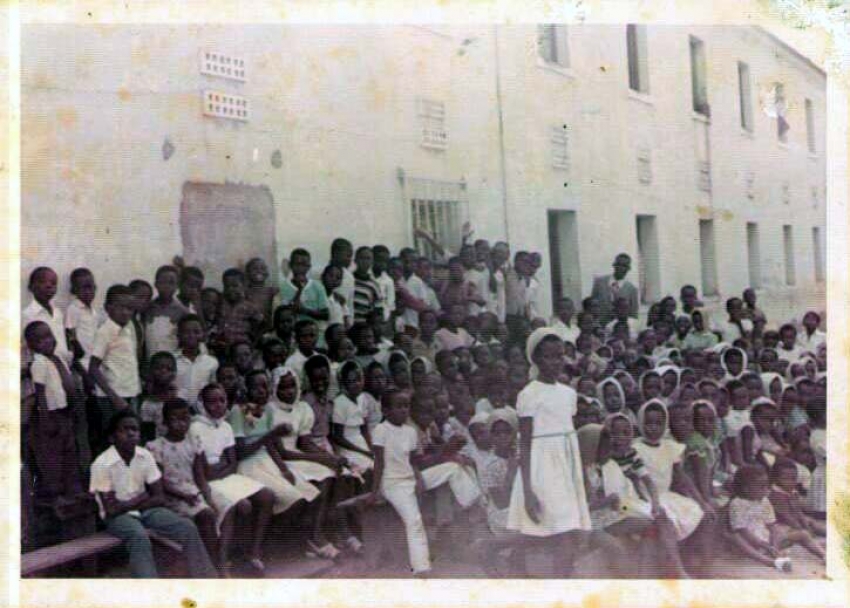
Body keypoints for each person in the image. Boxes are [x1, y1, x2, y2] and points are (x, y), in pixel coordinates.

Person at [89, 410, 218, 578]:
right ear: (112, 437)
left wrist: (129, 503)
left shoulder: (144, 455)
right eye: (124, 430)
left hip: (146, 511)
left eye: (135, 430)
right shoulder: (102, 464)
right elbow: (112, 510)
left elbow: (159, 497)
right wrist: (143, 497)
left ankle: (207, 581)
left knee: (187, 527)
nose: (131, 434)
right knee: (138, 536)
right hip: (117, 519)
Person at [366, 389, 482, 576]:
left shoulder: (410, 432)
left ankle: (473, 505)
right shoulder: (381, 430)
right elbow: (378, 462)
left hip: (412, 478)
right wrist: (375, 492)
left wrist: (418, 479)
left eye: (406, 406)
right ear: (386, 411)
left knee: (452, 468)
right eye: (398, 407)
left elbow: (413, 462)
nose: (403, 410)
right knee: (414, 520)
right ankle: (421, 567)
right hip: (393, 483)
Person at [506, 328, 591, 573]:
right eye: (548, 357)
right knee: (553, 526)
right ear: (535, 359)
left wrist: (582, 476)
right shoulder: (529, 394)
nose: (555, 362)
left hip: (566, 464)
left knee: (564, 527)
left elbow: (570, 437)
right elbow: (525, 442)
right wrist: (528, 490)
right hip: (542, 467)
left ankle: (557, 577)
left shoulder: (569, 394)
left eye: (560, 356)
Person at [191, 383, 274, 574]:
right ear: (203, 404)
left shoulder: (226, 426)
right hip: (208, 482)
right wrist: (222, 467)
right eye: (212, 401)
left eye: (222, 400)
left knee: (267, 495)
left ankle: (253, 553)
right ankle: (222, 562)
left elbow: (233, 462)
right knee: (240, 504)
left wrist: (221, 467)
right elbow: (204, 471)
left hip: (226, 476)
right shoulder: (195, 427)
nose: (218, 405)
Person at [228, 371, 320, 517]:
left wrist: (283, 469)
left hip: (267, 461)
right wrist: (272, 434)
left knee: (308, 492)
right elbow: (240, 453)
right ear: (247, 389)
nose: (261, 391)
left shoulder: (268, 410)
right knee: (292, 498)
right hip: (249, 464)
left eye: (264, 386)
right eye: (255, 387)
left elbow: (270, 446)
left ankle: (291, 536)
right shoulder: (238, 411)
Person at [146, 398, 220, 568]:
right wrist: (182, 495)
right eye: (175, 419)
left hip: (192, 493)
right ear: (165, 422)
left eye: (185, 418)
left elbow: (199, 476)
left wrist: (208, 498)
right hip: (170, 496)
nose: (182, 423)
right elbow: (158, 483)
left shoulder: (193, 442)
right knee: (206, 515)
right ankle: (210, 567)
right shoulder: (156, 447)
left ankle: (214, 563)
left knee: (214, 511)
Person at [25, 320, 83, 499]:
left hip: (65, 413)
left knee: (70, 452)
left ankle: (72, 492)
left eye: (49, 335)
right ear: (32, 346)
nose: (48, 341)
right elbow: (40, 394)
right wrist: (46, 419)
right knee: (53, 456)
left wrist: (72, 337)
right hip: (51, 415)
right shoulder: (39, 362)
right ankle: (55, 495)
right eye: (41, 339)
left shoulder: (58, 357)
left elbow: (79, 354)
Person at [727, 464, 820, 571]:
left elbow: (772, 526)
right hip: (751, 542)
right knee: (735, 537)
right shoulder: (737, 504)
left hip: (767, 541)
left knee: (802, 534)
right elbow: (743, 531)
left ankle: (823, 555)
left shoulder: (764, 500)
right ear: (747, 489)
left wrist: (774, 544)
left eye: (766, 486)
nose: (766, 490)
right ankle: (771, 562)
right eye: (761, 487)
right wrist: (762, 544)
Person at [89, 285, 141, 454]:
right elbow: (93, 368)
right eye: (121, 307)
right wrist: (115, 398)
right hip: (113, 398)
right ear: (108, 308)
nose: (126, 312)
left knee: (130, 441)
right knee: (113, 442)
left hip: (130, 393)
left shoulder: (128, 328)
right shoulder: (105, 332)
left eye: (130, 309)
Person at [331, 361, 374, 473]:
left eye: (359, 379)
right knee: (363, 468)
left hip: (360, 441)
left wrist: (370, 448)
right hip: (347, 446)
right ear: (344, 384)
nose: (357, 384)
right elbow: (338, 437)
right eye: (352, 381)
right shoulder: (339, 403)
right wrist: (363, 452)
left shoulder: (363, 398)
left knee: (376, 465)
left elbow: (364, 429)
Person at [143, 265, 189, 361]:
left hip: (172, 363)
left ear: (177, 286)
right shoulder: (147, 308)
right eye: (163, 282)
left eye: (171, 283)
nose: (167, 286)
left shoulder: (182, 311)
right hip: (150, 362)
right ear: (156, 284)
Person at [174, 314, 219, 407]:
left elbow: (214, 389)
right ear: (179, 335)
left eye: (196, 332)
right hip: (176, 411)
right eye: (186, 332)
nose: (191, 335)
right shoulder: (172, 360)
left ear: (203, 334)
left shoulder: (212, 362)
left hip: (203, 412)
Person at [65, 267, 100, 375]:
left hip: (94, 360)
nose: (88, 291)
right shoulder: (73, 309)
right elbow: (70, 332)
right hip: (82, 362)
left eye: (91, 287)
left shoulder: (93, 311)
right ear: (74, 290)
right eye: (83, 288)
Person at [218, 268, 265, 348]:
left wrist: (254, 342)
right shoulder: (221, 305)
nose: (230, 289)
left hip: (243, 347)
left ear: (244, 286)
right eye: (227, 286)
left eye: (234, 286)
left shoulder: (250, 307)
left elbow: (262, 325)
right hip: (224, 347)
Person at [591, 254, 639, 326]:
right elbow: (592, 305)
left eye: (624, 266)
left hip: (619, 329)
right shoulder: (600, 282)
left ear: (629, 268)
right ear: (614, 265)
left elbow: (633, 314)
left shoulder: (632, 289)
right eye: (618, 264)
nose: (621, 268)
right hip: (600, 326)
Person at [140, 351, 178, 441]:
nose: (164, 371)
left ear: (175, 373)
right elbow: (148, 436)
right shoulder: (147, 404)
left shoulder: (180, 396)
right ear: (150, 371)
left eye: (169, 369)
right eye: (159, 368)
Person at [352, 246, 383, 324]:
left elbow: (378, 309)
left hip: (363, 327)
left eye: (368, 258)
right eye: (362, 258)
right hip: (347, 325)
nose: (365, 261)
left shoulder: (374, 285)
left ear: (372, 262)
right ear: (355, 260)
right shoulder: (349, 280)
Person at [245, 258, 278, 329]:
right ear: (247, 273)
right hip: (250, 329)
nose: (259, 271)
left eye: (263, 268)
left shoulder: (272, 291)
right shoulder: (244, 292)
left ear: (267, 273)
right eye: (255, 269)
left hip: (268, 328)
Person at [371, 245, 396, 323]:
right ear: (372, 259)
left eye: (386, 261)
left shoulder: (389, 281)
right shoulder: (366, 276)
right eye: (380, 259)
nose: (383, 263)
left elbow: (391, 306)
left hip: (383, 321)